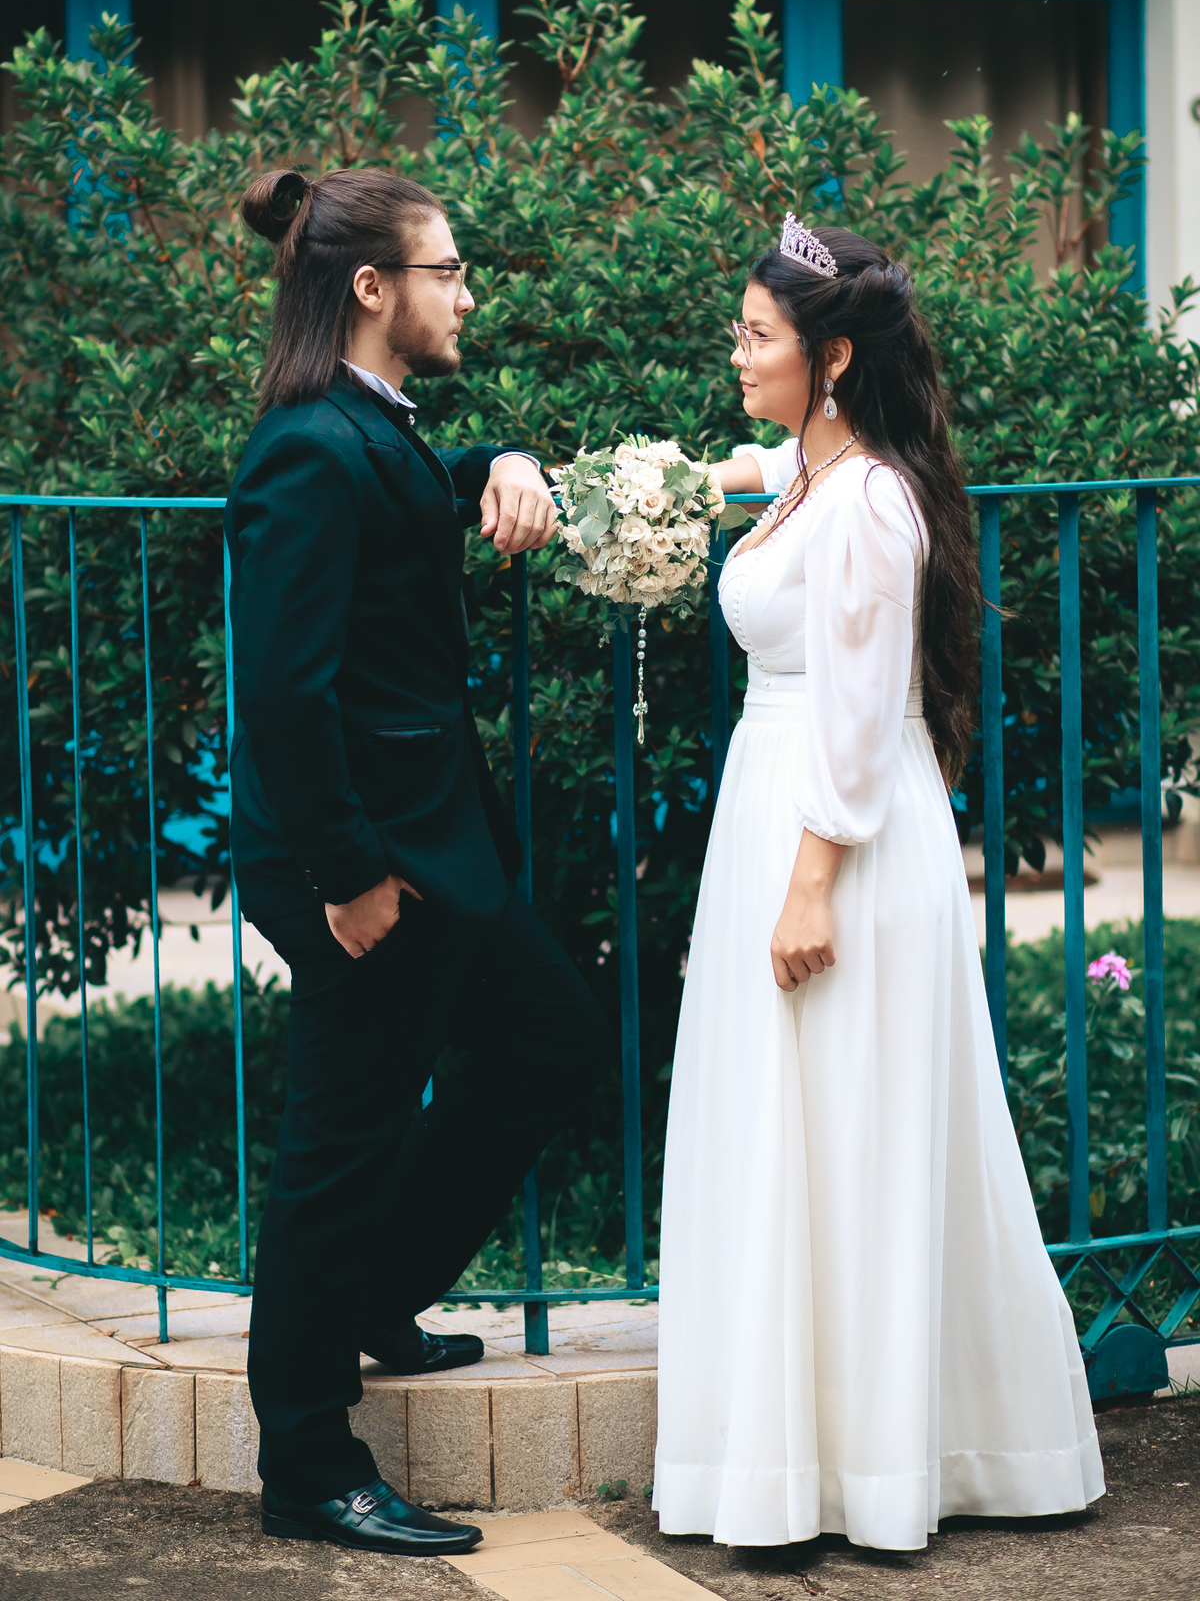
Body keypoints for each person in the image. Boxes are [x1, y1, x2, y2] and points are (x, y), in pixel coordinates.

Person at [652, 217, 1103, 1552]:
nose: (737, 353)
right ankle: (800, 1457)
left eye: (757, 336)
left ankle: (879, 1467)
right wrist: (666, 482)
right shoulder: (810, 472)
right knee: (794, 1138)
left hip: (831, 835)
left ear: (832, 357)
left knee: (852, 1138)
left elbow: (856, 714)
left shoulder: (869, 503)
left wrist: (809, 889)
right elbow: (760, 472)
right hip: (784, 812)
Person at [225, 167, 610, 1557]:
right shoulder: (304, 448)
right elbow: (285, 692)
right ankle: (307, 1463)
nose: (467, 293)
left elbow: (408, 490)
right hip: (365, 868)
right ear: (372, 287)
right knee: (340, 1144)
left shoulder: (371, 426)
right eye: (447, 270)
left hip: (434, 850)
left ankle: (374, 1293)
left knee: (550, 1040)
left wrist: (498, 459)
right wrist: (347, 877)